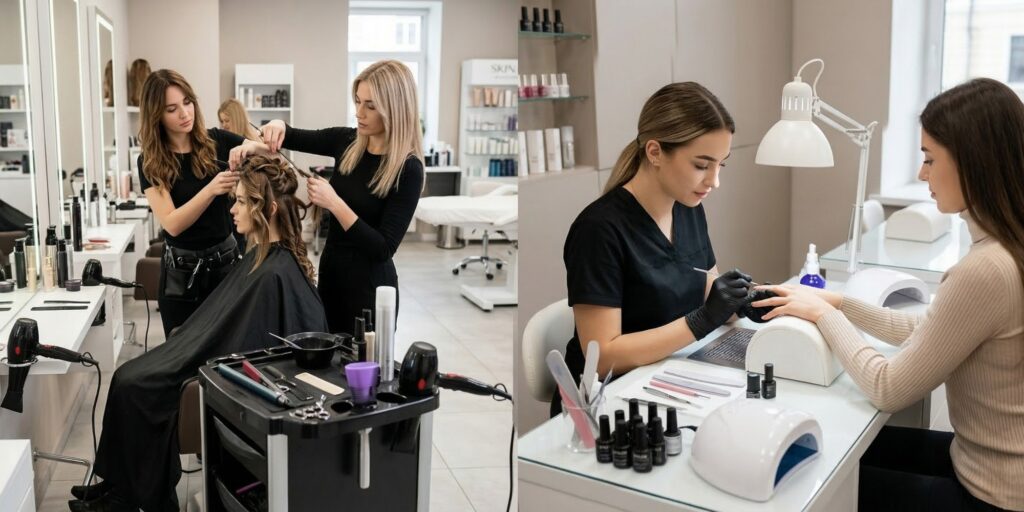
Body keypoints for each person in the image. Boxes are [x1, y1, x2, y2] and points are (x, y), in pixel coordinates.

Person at [752, 78, 1024, 511]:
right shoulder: (1007, 247)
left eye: (930, 159)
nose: (922, 174)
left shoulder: (986, 270)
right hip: (988, 465)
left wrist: (824, 317)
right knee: (837, 448)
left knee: (814, 486)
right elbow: (931, 329)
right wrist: (839, 302)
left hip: (994, 495)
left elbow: (888, 388)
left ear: (974, 162)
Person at [69, 155, 329, 512]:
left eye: (240, 201)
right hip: (199, 347)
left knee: (133, 383)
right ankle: (117, 485)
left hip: (214, 364)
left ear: (266, 208)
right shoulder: (261, 259)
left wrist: (195, 344)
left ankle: (126, 498)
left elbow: (248, 342)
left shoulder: (274, 273)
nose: (232, 209)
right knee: (126, 377)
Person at [551, 82, 752, 416]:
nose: (714, 181)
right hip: (606, 407)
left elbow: (707, 290)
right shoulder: (599, 230)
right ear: (655, 152)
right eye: (702, 165)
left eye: (721, 165)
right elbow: (602, 358)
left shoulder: (688, 208)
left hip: (670, 378)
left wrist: (741, 300)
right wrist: (702, 320)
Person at [230, 59, 424, 332]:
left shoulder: (408, 168)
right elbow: (292, 137)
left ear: (395, 110)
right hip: (332, 276)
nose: (359, 112)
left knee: (362, 370)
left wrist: (334, 202)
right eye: (357, 101)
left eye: (370, 106)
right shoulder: (347, 141)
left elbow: (383, 248)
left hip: (369, 291)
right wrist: (267, 134)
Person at [138, 69, 247, 336]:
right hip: (180, 276)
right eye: (172, 109)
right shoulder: (150, 162)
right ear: (156, 116)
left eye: (187, 103)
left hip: (226, 267)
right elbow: (172, 224)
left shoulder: (217, 142)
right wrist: (211, 189)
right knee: (181, 358)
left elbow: (269, 154)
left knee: (226, 355)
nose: (185, 114)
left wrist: (254, 147)